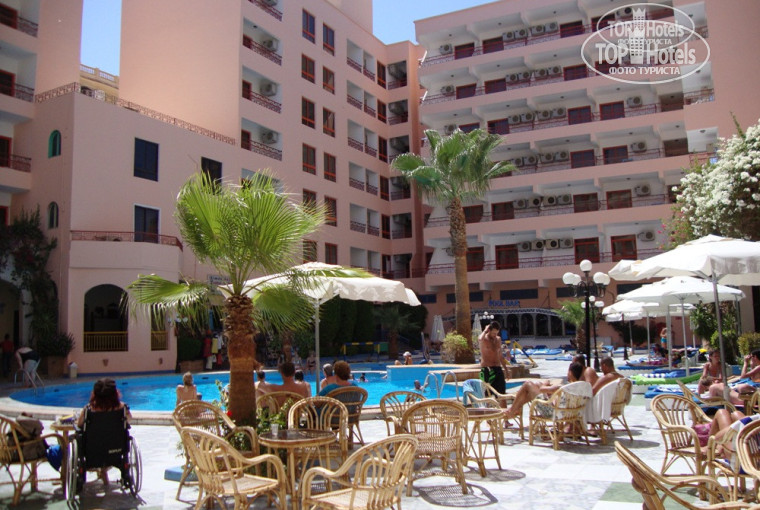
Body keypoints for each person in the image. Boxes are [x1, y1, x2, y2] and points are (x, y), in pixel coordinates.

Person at [76, 378, 131, 486]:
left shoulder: (89, 409)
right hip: (116, 449)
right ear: (115, 393)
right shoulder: (122, 408)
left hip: (92, 450)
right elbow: (129, 420)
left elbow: (79, 424)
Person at [503, 362, 584, 419]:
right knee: (536, 385)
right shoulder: (578, 387)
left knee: (528, 384)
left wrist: (546, 383)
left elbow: (542, 389)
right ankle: (516, 408)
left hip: (551, 413)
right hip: (566, 413)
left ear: (570, 373)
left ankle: (512, 410)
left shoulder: (562, 387)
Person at [479, 321, 508, 394]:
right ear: (489, 331)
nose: (495, 335)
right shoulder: (484, 339)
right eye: (493, 333)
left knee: (502, 393)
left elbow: (500, 355)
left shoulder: (498, 339)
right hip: (487, 369)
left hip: (498, 368)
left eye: (496, 333)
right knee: (488, 393)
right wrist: (485, 330)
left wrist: (506, 369)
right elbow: (480, 339)